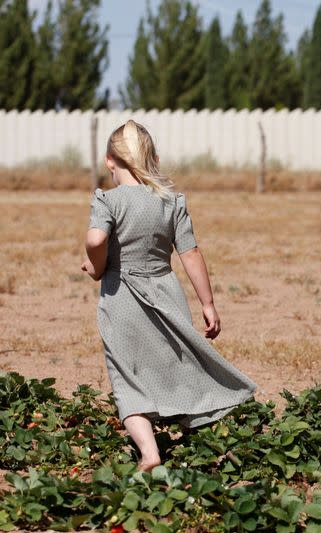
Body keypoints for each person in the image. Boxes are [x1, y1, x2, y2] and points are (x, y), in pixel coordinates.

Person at [82, 120, 256, 471]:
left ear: (109, 161)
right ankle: (206, 440)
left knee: (125, 374)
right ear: (155, 159)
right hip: (166, 292)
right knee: (179, 362)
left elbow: (96, 240)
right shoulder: (171, 202)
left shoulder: (108, 199)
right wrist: (207, 303)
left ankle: (149, 452)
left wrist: (96, 265)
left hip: (122, 297)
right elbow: (190, 253)